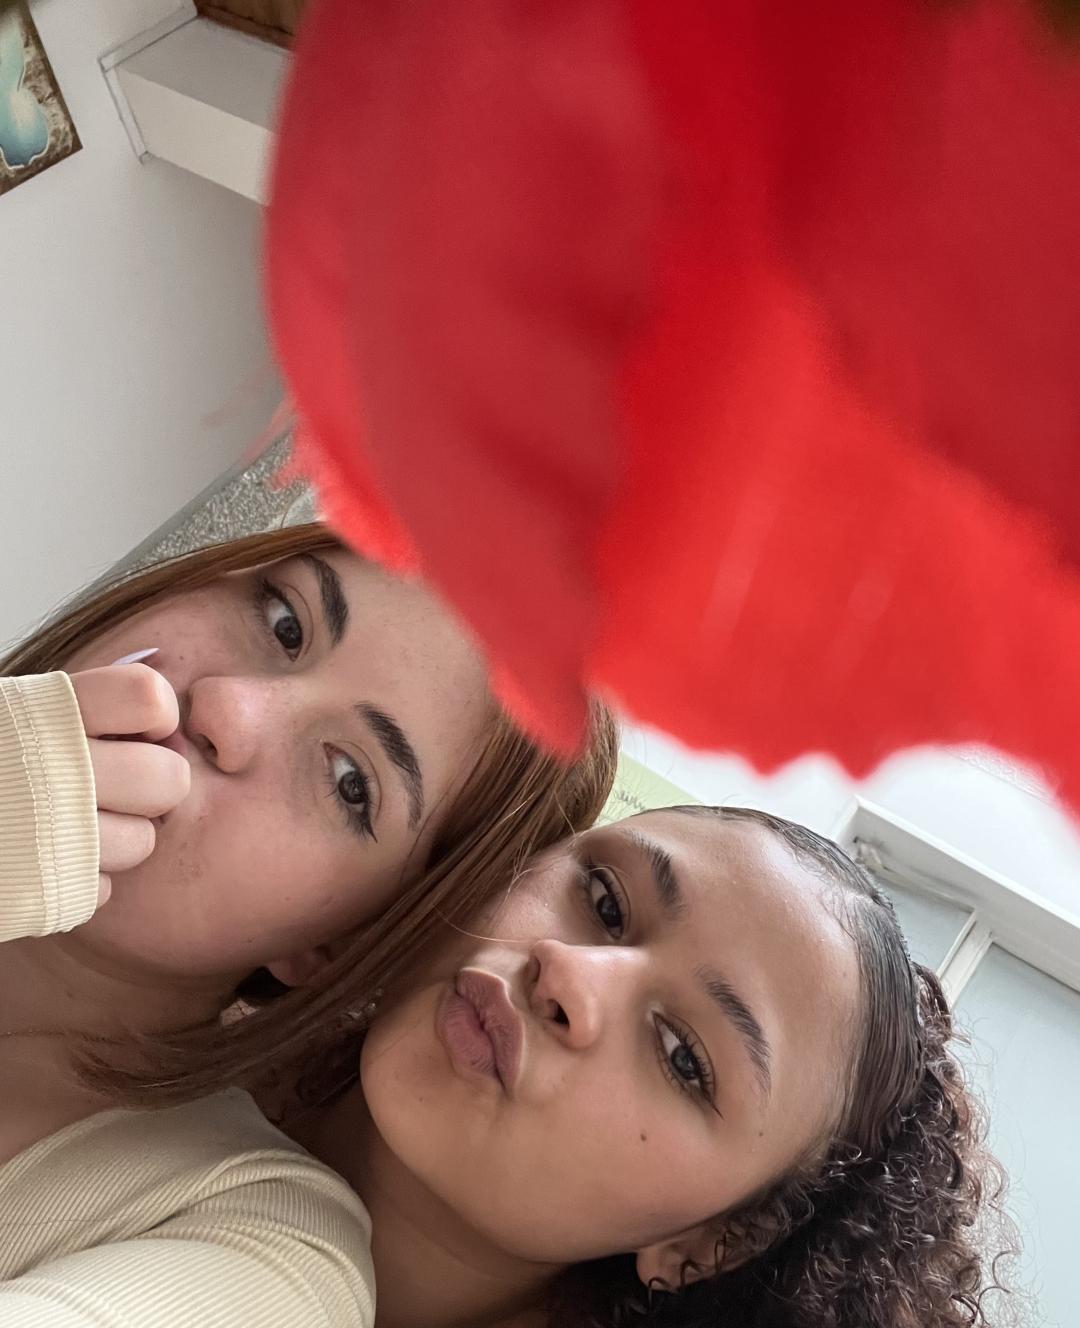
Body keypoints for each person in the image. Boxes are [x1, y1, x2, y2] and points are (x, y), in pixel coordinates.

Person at [1, 800, 1013, 1328]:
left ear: (714, 1243)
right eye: (604, 902)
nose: (570, 975)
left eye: (683, 1057)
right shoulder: (150, 984)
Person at [0, 519, 617, 1153]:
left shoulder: (227, 1203)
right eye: (285, 624)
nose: (227, 709)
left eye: (350, 783)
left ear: (337, 946)